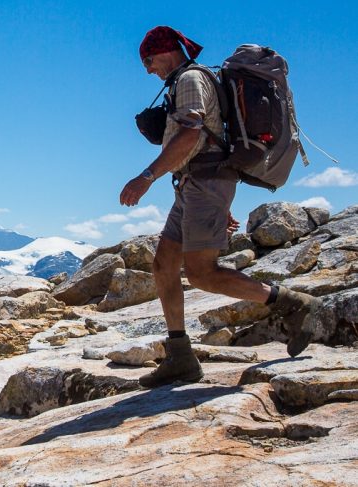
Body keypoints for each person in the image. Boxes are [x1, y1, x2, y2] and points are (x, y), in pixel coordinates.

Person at [119, 26, 321, 389]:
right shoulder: (187, 79)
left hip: (206, 183)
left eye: (148, 60)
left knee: (201, 273)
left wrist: (146, 177)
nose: (148, 69)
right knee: (164, 263)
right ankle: (180, 355)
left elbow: (192, 133)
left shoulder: (191, 79)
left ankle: (292, 302)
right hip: (197, 185)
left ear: (165, 52)